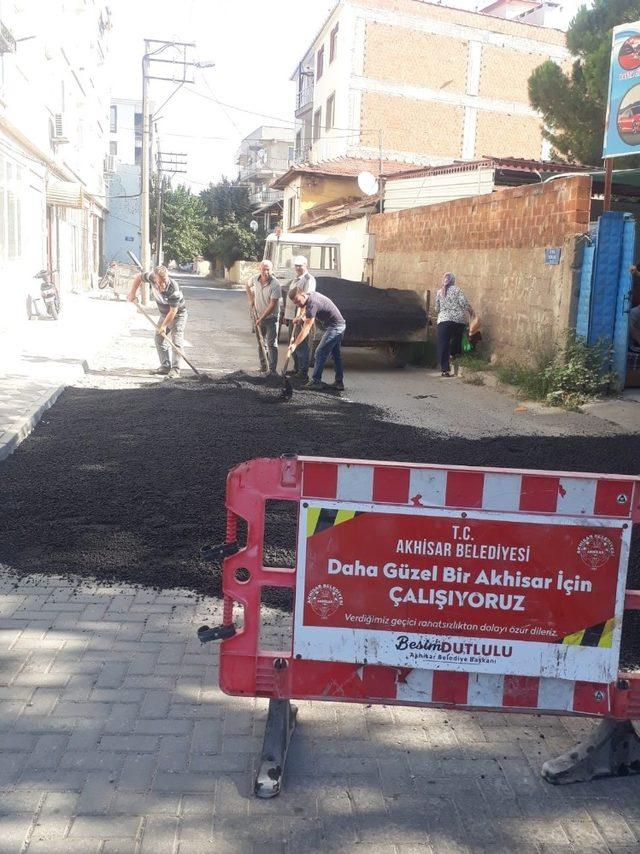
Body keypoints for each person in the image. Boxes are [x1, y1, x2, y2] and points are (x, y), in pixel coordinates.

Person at [128, 265, 187, 378]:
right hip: (165, 314)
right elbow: (138, 277)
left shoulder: (173, 288)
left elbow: (173, 311)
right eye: (160, 282)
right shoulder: (151, 277)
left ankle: (175, 370)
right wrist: (132, 293)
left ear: (167, 277)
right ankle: (165, 367)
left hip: (178, 314)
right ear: (155, 279)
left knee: (176, 341)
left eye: (164, 281)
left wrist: (164, 326)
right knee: (159, 338)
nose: (162, 284)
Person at [288, 286, 346, 391]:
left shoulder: (312, 303)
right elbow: (304, 309)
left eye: (298, 301)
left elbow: (306, 328)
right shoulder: (309, 297)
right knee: (336, 355)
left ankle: (316, 381)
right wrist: (300, 318)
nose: (297, 304)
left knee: (319, 352)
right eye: (295, 303)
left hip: (336, 327)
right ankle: (339, 383)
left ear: (303, 294)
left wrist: (295, 344)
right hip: (338, 325)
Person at [435, 272, 474, 377]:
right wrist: (471, 311)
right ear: (453, 280)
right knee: (457, 338)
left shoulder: (439, 292)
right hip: (458, 321)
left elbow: (437, 309)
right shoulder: (457, 290)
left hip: (443, 321)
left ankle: (445, 370)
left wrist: (444, 312)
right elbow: (463, 303)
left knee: (443, 344)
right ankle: (454, 354)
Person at [246, 259, 281, 374]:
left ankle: (272, 370)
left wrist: (261, 318)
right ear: (259, 268)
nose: (265, 272)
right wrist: (251, 299)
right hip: (258, 316)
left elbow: (272, 304)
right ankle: (263, 366)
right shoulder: (255, 279)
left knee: (271, 344)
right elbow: (247, 284)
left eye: (268, 269)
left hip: (271, 318)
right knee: (261, 342)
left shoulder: (275, 284)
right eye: (263, 269)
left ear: (271, 270)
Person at [284, 255, 316, 380]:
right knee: (291, 342)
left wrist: (301, 316)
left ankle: (303, 372)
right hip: (291, 315)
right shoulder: (295, 279)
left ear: (305, 265)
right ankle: (297, 368)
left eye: (300, 266)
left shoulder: (309, 279)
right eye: (296, 266)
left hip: (300, 316)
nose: (297, 268)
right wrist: (285, 315)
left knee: (300, 344)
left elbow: (307, 299)